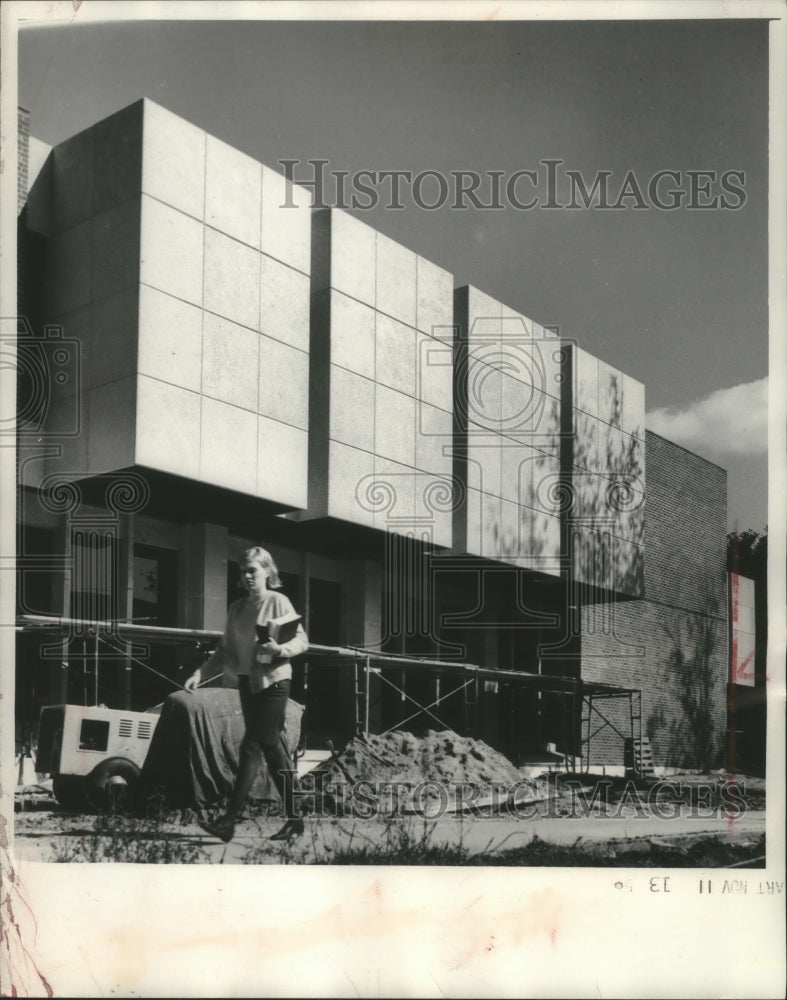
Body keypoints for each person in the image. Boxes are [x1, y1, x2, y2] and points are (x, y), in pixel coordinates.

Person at [185, 546, 308, 842]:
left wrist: (281, 649)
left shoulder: (278, 601)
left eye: (252, 570)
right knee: (273, 750)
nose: (247, 576)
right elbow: (225, 650)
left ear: (267, 571)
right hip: (247, 684)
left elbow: (302, 639)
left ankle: (228, 820)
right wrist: (200, 673)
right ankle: (296, 820)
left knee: (251, 747)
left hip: (275, 683)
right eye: (243, 572)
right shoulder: (237, 608)